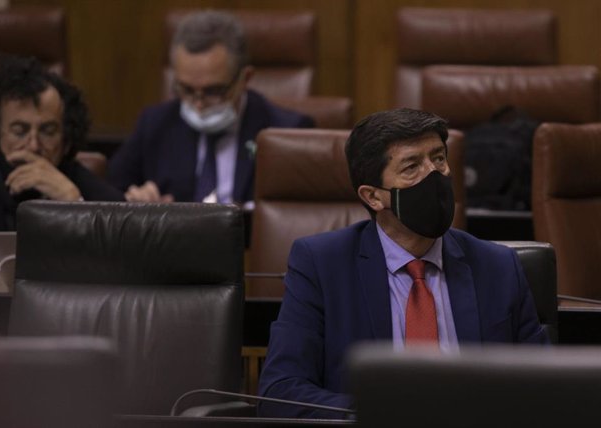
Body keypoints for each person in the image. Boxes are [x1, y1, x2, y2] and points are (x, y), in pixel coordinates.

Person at [257, 108, 548, 419]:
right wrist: (383, 414)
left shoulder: (497, 266)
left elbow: (545, 388)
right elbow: (280, 391)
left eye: (438, 158)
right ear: (373, 197)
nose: (434, 175)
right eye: (412, 166)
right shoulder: (322, 265)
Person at [107, 10, 314, 204]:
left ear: (245, 79)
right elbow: (109, 191)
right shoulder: (155, 124)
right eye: (186, 90)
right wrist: (135, 200)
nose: (198, 104)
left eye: (213, 91)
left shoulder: (286, 131)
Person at [0, 55, 124, 284]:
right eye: (19, 131)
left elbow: (127, 264)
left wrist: (75, 205)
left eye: (48, 131)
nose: (34, 145)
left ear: (66, 141)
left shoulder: (93, 193)